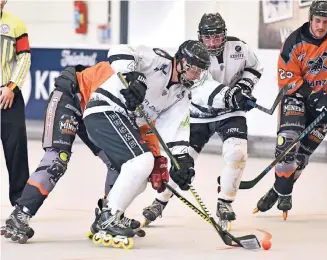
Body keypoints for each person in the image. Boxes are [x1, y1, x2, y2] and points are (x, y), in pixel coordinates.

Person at [82, 40, 212, 248]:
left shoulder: (181, 95)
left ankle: (109, 214)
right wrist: (134, 76)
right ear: (181, 62)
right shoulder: (158, 60)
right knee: (141, 161)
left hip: (124, 119)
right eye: (194, 69)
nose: (197, 76)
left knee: (143, 172)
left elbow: (176, 129)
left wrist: (183, 161)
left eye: (201, 72)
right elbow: (119, 50)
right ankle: (109, 217)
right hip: (105, 109)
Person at [142, 12, 263, 231]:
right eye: (208, 38)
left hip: (229, 113)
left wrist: (243, 87)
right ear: (200, 37)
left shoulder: (239, 48)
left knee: (237, 153)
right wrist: (230, 95)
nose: (213, 43)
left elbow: (254, 68)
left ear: (224, 35)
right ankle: (160, 201)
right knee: (182, 161)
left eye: (217, 37)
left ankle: (225, 201)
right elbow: (199, 89)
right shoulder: (193, 57)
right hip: (197, 113)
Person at [0, 62, 140, 244]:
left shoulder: (154, 97)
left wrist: (157, 160)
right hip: (70, 97)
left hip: (93, 111)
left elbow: (143, 130)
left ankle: (110, 215)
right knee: (57, 159)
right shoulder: (121, 72)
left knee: (120, 161)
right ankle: (20, 214)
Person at [253, 0, 327, 220]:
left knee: (303, 154)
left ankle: (277, 190)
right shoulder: (293, 42)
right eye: (317, 21)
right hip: (298, 96)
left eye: (326, 22)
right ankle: (285, 191)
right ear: (310, 19)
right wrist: (315, 97)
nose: (321, 26)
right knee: (287, 142)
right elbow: (287, 79)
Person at [0, 0, 31, 206]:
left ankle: (21, 203)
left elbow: (24, 57)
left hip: (7, 95)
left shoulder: (16, 24)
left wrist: (11, 87)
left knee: (16, 149)